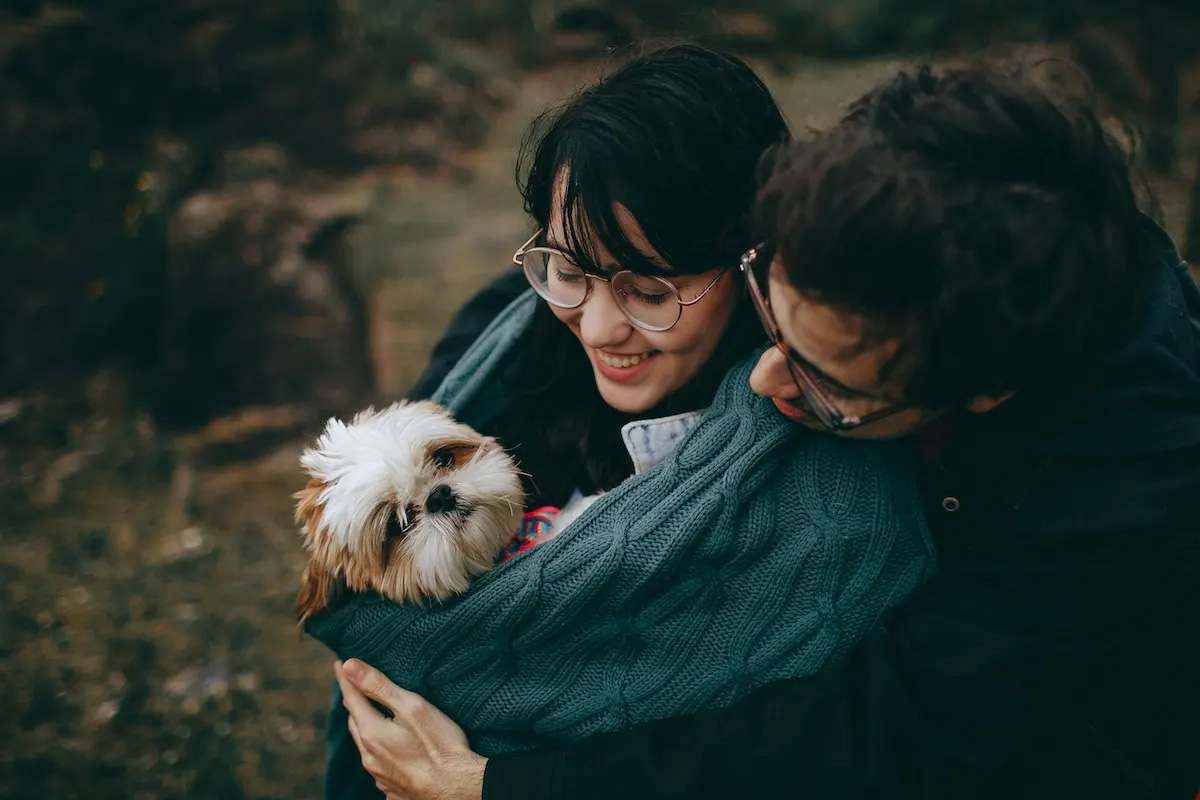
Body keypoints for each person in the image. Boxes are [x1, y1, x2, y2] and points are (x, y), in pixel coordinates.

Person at [328, 61, 1200, 799]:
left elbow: (894, 726)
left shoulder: (1116, 492)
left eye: (827, 384)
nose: (766, 380)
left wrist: (502, 786)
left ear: (980, 395)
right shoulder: (875, 204)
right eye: (773, 322)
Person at [318, 43, 934, 797]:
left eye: (648, 290)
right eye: (569, 269)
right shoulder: (506, 341)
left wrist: (486, 784)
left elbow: (819, 748)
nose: (600, 326)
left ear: (752, 258)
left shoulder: (832, 488)